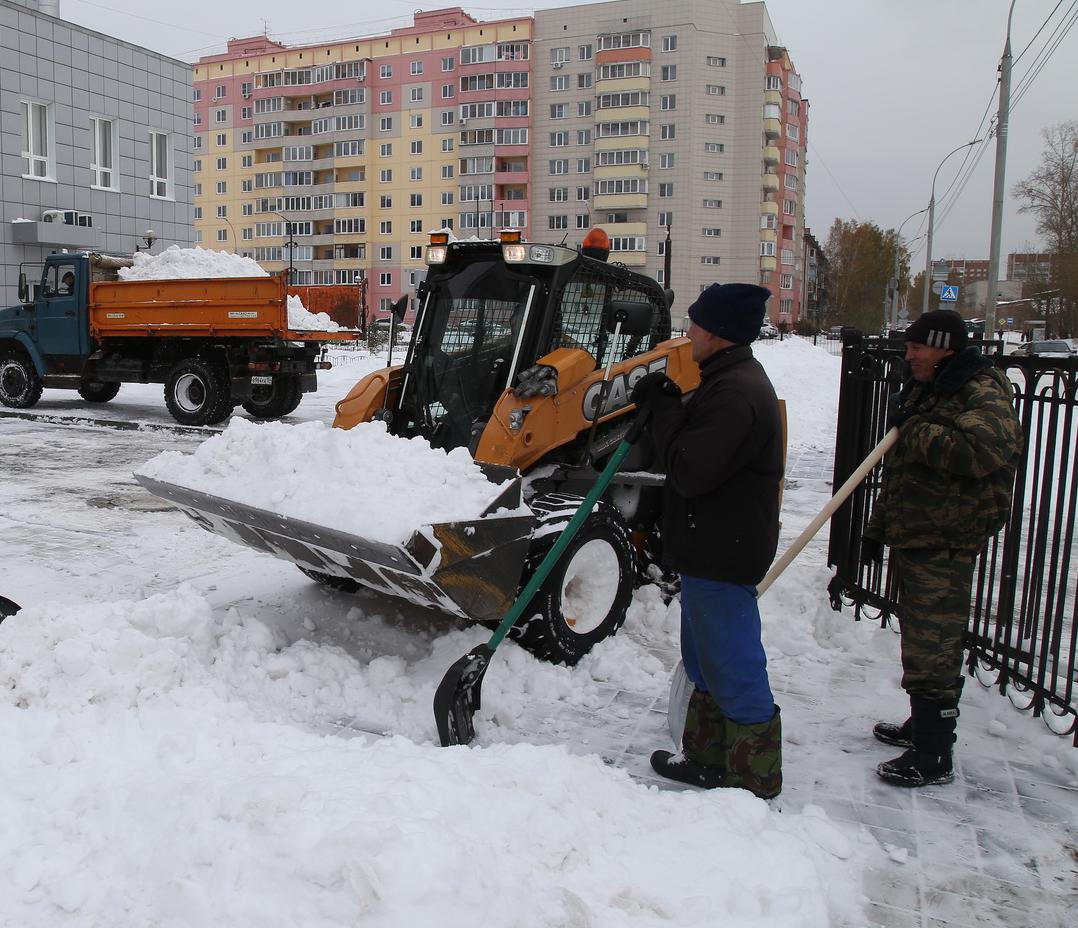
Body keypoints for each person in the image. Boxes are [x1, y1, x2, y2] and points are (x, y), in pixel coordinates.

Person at [630, 283, 784, 799]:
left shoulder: (737, 392)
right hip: (710, 545)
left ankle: (754, 778)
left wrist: (665, 411)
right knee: (705, 660)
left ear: (715, 332)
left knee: (733, 664)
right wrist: (672, 404)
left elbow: (692, 469)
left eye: (694, 323)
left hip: (724, 549)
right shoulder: (725, 380)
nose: (687, 331)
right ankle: (709, 757)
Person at [862, 309, 1023, 787]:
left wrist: (914, 426)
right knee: (922, 635)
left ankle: (934, 753)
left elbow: (981, 452)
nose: (909, 354)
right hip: (919, 529)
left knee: (935, 640)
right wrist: (878, 525)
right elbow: (905, 469)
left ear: (945, 348)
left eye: (918, 347)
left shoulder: (980, 389)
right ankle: (924, 723)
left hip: (947, 536)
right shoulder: (932, 389)